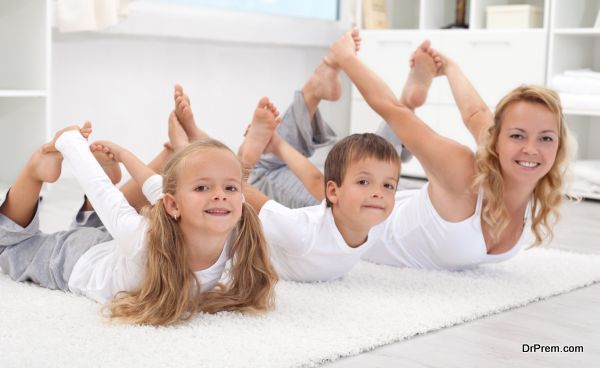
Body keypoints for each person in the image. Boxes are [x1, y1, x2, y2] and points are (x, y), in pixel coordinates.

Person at [322, 29, 574, 270]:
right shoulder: (462, 171)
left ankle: (410, 99)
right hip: (350, 213)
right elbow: (391, 110)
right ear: (496, 138)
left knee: (381, 165)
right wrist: (346, 58)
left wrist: (451, 68)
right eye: (518, 135)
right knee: (285, 175)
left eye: (546, 138)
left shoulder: (529, 175)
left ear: (558, 144)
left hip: (408, 201)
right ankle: (319, 90)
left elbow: (476, 113)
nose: (531, 149)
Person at [0, 120, 278, 325]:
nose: (220, 195)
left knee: (103, 226)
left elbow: (157, 188)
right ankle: (36, 168)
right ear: (174, 205)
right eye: (203, 188)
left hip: (113, 248)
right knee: (10, 246)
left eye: (230, 188)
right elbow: (106, 196)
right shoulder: (144, 237)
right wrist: (70, 143)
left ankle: (103, 188)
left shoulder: (236, 233)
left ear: (242, 199)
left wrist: (123, 155)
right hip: (72, 259)